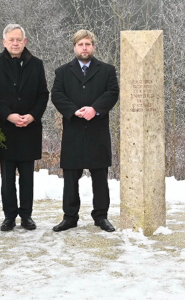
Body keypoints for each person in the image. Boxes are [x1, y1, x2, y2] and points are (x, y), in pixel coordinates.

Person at [51, 29, 119, 232]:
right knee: (71, 178)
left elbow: (112, 92)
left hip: (97, 131)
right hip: (73, 130)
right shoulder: (62, 71)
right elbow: (57, 95)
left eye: (88, 44)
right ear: (74, 47)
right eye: (81, 44)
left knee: (100, 177)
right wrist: (74, 111)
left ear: (93, 47)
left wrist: (95, 109)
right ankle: (70, 217)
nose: (84, 48)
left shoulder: (107, 70)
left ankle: (101, 216)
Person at [0, 24, 49, 231]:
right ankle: (9, 216)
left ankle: (26, 216)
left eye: (19, 39)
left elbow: (43, 94)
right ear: (4, 42)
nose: (15, 43)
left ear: (25, 41)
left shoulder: (36, 64)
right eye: (11, 39)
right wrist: (8, 115)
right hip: (6, 129)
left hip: (29, 127)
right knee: (7, 177)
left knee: (28, 177)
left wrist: (32, 116)